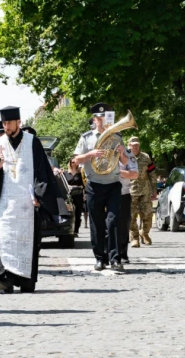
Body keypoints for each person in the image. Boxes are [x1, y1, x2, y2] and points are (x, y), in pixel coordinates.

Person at [0, 106, 62, 293]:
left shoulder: (32, 142)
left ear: (18, 122)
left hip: (27, 202)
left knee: (26, 241)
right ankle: (5, 279)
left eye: (9, 123)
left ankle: (25, 279)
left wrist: (38, 195)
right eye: (3, 123)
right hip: (4, 201)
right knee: (5, 239)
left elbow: (42, 171)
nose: (6, 127)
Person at [73, 103, 133, 272]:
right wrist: (90, 154)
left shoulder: (117, 136)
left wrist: (121, 152)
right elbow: (76, 160)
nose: (101, 121)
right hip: (94, 185)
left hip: (113, 184)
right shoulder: (86, 138)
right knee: (97, 223)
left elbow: (126, 162)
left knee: (113, 221)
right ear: (94, 119)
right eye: (98, 118)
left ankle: (115, 259)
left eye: (104, 118)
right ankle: (100, 258)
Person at [128, 137, 157, 247]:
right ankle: (134, 238)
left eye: (137, 145)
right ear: (129, 145)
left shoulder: (146, 157)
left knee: (147, 215)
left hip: (145, 191)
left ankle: (144, 233)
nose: (136, 147)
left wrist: (154, 191)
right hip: (130, 191)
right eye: (133, 145)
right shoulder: (125, 156)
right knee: (131, 216)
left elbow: (152, 175)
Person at [118, 146, 139, 263]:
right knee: (106, 225)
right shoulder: (99, 150)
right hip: (104, 193)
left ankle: (122, 253)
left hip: (123, 194)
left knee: (123, 224)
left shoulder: (128, 153)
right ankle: (106, 253)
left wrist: (116, 172)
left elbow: (134, 174)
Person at [63, 159, 85, 235]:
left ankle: (76, 230)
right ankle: (68, 228)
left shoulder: (80, 173)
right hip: (69, 195)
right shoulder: (65, 173)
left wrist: (84, 194)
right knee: (69, 211)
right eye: (72, 162)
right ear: (69, 163)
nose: (74, 163)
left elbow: (84, 185)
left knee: (78, 212)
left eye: (76, 162)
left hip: (78, 194)